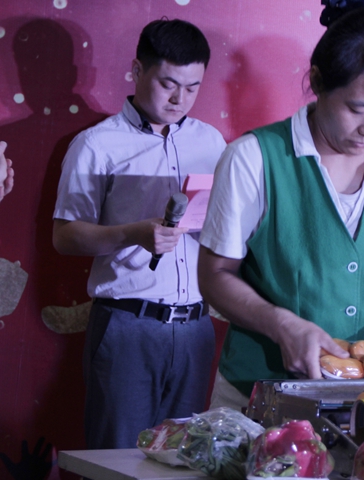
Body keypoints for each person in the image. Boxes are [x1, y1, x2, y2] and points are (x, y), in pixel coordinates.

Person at [198, 1, 364, 409]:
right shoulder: (253, 157)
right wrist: (280, 324)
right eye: (358, 109)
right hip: (256, 393)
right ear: (318, 81)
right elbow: (214, 274)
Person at [52, 19, 225, 449]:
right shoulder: (96, 144)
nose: (179, 99)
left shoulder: (212, 142)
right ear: (136, 70)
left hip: (197, 328)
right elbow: (64, 236)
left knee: (185, 460)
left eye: (192, 87)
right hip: (127, 324)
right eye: (168, 84)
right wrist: (132, 233)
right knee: (118, 457)